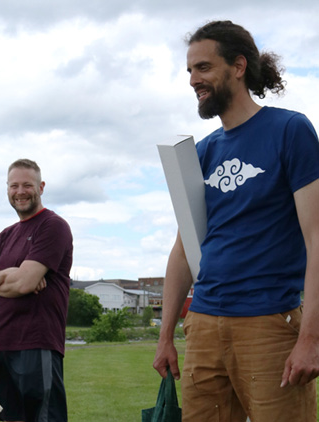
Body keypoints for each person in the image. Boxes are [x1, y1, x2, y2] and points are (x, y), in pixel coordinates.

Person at [153, 20, 319, 422]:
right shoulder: (201, 153)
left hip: (268, 324)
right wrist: (166, 336)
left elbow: (317, 238)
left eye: (204, 67)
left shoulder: (289, 130)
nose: (194, 79)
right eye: (190, 70)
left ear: (239, 66)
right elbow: (182, 249)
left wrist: (311, 338)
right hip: (204, 326)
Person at [0, 158, 73, 422]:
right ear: (7, 189)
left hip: (37, 343)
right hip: (0, 344)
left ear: (41, 186)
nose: (20, 191)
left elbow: (25, 283)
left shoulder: (53, 226)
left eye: (27, 185)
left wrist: (1, 278)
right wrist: (11, 273)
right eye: (14, 186)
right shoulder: (7, 234)